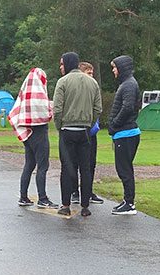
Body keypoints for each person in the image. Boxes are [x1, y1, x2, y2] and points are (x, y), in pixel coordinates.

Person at [52, 52, 102, 217]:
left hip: (67, 130)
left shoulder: (63, 82)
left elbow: (57, 109)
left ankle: (66, 204)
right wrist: (89, 123)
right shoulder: (92, 82)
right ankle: (85, 206)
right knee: (85, 169)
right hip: (84, 131)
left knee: (67, 168)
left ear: (67, 64)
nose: (60, 67)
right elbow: (97, 108)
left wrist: (59, 126)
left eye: (61, 64)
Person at [8, 67, 58, 209]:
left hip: (27, 132)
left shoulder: (25, 92)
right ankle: (42, 198)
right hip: (39, 131)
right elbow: (46, 113)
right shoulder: (39, 94)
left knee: (29, 164)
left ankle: (23, 196)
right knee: (43, 165)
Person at [107, 55, 141, 215]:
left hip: (126, 133)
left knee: (124, 169)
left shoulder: (128, 85)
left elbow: (127, 107)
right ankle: (127, 200)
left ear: (122, 68)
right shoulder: (127, 84)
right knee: (124, 169)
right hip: (124, 133)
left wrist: (114, 124)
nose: (113, 70)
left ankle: (129, 203)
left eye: (114, 67)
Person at [70, 62, 105, 205]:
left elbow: (98, 108)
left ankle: (88, 191)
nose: (92, 76)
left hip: (91, 131)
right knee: (75, 163)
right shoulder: (77, 88)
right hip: (78, 129)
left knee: (91, 163)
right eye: (88, 73)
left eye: (92, 73)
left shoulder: (93, 88)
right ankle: (74, 192)